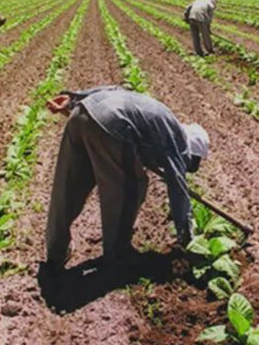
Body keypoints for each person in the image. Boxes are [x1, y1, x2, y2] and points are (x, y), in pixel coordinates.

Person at [44, 86, 210, 271]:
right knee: (131, 187)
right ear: (191, 150)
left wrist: (74, 100)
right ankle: (118, 253)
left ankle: (56, 251)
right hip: (111, 124)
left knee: (69, 186)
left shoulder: (158, 116)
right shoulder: (176, 139)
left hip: (81, 113)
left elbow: (115, 89)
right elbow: (178, 187)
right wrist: (187, 238)